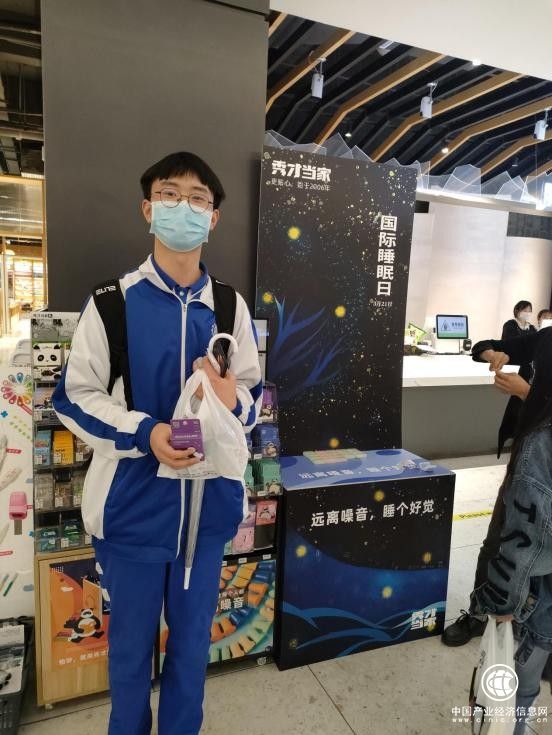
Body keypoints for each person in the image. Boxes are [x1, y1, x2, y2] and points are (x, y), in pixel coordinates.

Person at [52, 152, 262, 735]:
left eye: (198, 199)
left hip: (207, 517)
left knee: (192, 652)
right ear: (148, 209)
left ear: (213, 218)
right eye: (170, 195)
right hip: (132, 514)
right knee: (128, 657)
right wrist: (146, 433)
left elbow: (252, 396)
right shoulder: (112, 303)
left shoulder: (230, 306)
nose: (183, 207)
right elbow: (74, 398)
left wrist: (231, 401)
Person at [471, 327, 552, 735]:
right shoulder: (545, 339)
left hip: (536, 590)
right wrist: (492, 354)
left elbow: (528, 538)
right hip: (525, 483)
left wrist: (528, 393)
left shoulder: (542, 448)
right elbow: (483, 346)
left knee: (518, 681)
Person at [497, 301, 537, 457]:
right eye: (525, 310)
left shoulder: (532, 328)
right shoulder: (510, 325)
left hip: (528, 370)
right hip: (512, 366)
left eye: (529, 310)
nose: (527, 313)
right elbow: (510, 344)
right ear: (517, 311)